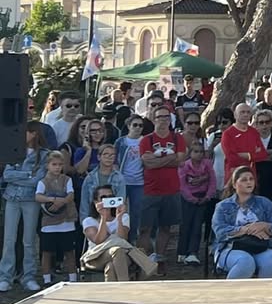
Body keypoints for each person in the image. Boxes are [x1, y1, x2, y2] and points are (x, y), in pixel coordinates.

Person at [138, 102, 187, 269]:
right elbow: (147, 163)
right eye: (160, 117)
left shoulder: (177, 138)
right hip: (150, 190)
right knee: (145, 228)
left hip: (172, 189)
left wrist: (158, 159)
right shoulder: (146, 140)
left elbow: (181, 160)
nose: (164, 120)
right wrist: (171, 158)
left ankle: (159, 259)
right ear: (154, 119)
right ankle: (143, 261)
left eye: (167, 117)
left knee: (166, 227)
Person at [0, 122, 48, 292]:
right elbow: (7, 175)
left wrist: (19, 177)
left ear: (34, 133)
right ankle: (5, 276)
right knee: (9, 239)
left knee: (28, 240)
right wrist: (27, 174)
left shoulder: (44, 154)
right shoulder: (13, 152)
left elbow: (38, 180)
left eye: (26, 132)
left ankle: (28, 276)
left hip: (31, 200)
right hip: (12, 198)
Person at [211, 166, 272, 279]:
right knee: (245, 261)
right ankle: (229, 291)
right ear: (234, 184)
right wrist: (245, 229)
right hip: (230, 247)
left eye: (251, 179)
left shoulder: (265, 203)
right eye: (244, 180)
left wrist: (265, 225)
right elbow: (220, 232)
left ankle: (264, 290)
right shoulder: (223, 206)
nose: (249, 182)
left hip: (259, 245)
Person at [81, 185, 157, 281]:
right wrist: (103, 217)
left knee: (112, 265)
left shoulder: (124, 217)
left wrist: (119, 218)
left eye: (110, 197)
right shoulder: (89, 221)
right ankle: (130, 280)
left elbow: (122, 238)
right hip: (96, 257)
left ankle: (118, 288)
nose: (107, 199)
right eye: (103, 197)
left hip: (121, 255)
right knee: (117, 250)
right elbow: (99, 241)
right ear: (96, 201)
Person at [35, 150, 78, 285]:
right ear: (48, 165)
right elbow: (38, 196)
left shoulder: (67, 180)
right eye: (54, 164)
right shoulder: (43, 182)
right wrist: (52, 199)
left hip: (67, 221)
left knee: (69, 252)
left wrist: (62, 202)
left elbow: (71, 195)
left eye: (60, 164)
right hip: (49, 223)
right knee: (47, 252)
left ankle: (73, 279)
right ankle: (46, 280)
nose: (57, 167)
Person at [176, 139, 217, 265]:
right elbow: (182, 185)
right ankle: (182, 252)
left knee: (197, 226)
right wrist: (191, 198)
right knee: (185, 225)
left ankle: (193, 252)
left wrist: (208, 196)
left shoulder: (208, 164)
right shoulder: (184, 166)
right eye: (196, 152)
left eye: (201, 152)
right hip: (187, 198)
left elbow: (213, 181)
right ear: (190, 153)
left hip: (203, 197)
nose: (199, 154)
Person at [221, 104, 269, 187]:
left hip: (251, 177)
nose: (245, 114)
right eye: (242, 112)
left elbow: (263, 155)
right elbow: (232, 158)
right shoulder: (228, 134)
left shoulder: (254, 132)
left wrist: (248, 155)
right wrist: (254, 154)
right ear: (235, 115)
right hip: (234, 178)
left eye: (248, 112)